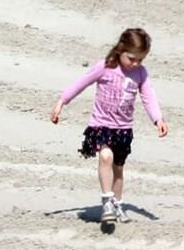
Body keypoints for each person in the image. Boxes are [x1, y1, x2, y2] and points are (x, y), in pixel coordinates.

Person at [51, 27, 168, 231]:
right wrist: (62, 102)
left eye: (140, 59)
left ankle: (117, 204)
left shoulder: (140, 73)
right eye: (132, 58)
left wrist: (157, 119)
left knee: (118, 170)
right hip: (101, 125)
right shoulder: (105, 67)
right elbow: (80, 83)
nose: (135, 63)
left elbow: (148, 96)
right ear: (121, 49)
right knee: (105, 157)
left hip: (123, 129)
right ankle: (107, 202)